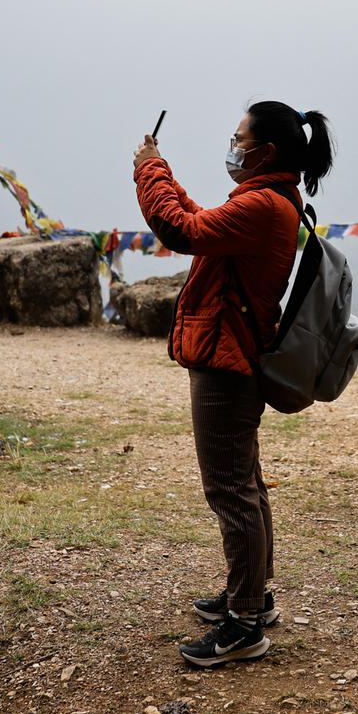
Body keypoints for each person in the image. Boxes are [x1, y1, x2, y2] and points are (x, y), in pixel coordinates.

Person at [132, 101, 335, 667]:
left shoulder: (263, 205)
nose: (233, 145)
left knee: (230, 490)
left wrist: (148, 168)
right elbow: (201, 223)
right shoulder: (268, 200)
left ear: (265, 151)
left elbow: (179, 228)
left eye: (239, 138)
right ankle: (253, 597)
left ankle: (244, 624)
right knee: (246, 483)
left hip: (226, 358)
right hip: (235, 349)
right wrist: (164, 173)